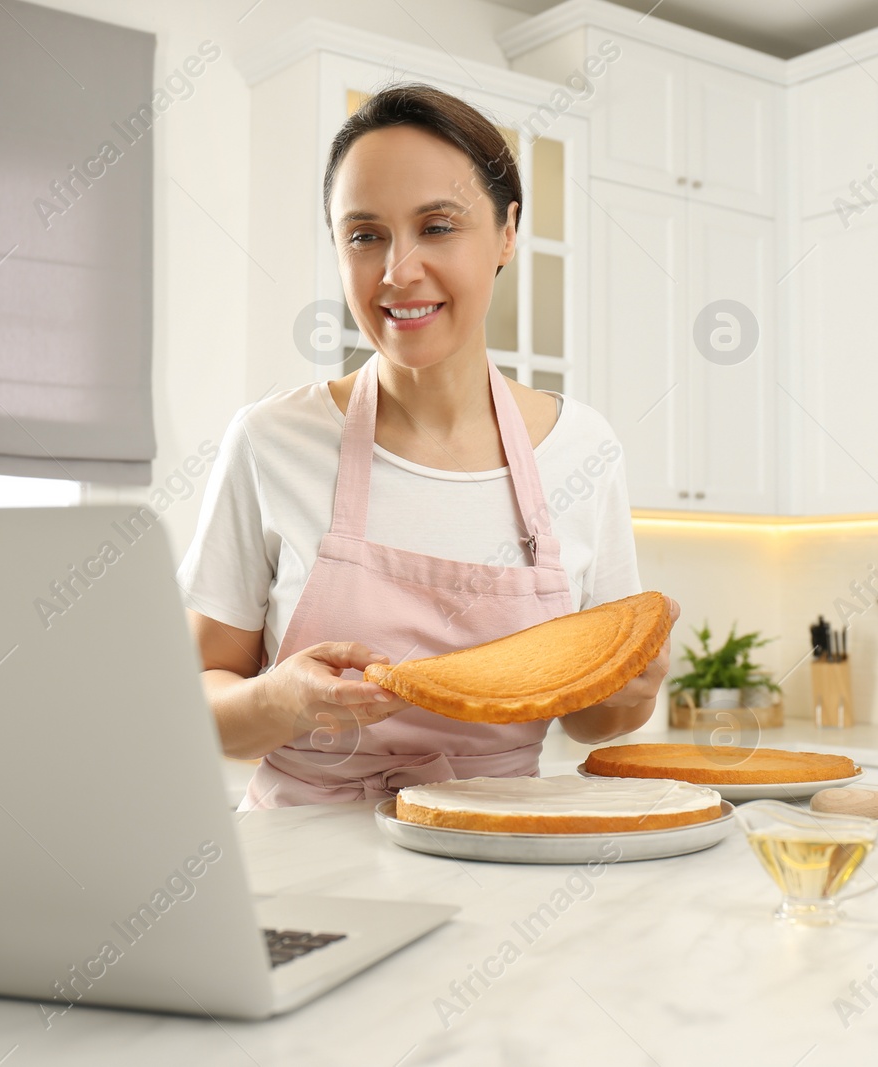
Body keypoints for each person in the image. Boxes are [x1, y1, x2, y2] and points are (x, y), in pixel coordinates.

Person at [176, 83, 678, 808]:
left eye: (438, 226)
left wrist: (633, 692)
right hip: (310, 868)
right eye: (364, 234)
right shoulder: (270, 441)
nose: (397, 271)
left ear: (507, 232)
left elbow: (591, 721)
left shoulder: (583, 451)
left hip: (504, 855)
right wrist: (278, 700)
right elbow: (199, 701)